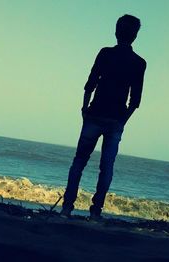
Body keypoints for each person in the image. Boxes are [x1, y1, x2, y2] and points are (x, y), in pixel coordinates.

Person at [61, 14, 147, 219]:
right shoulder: (138, 63)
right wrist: (121, 122)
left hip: (94, 114)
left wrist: (84, 109)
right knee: (106, 167)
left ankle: (66, 208)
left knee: (79, 162)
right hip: (115, 119)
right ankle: (95, 212)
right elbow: (135, 101)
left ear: (116, 31)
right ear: (135, 35)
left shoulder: (105, 53)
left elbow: (90, 84)